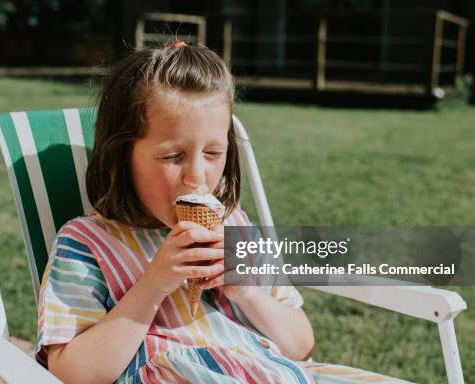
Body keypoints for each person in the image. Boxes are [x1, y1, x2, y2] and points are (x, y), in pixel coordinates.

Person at [35, 42, 413, 384]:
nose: (197, 176)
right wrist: (152, 286)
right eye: (172, 156)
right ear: (121, 158)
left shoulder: (236, 228)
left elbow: (299, 345)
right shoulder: (87, 245)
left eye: (213, 153)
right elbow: (72, 373)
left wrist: (246, 292)